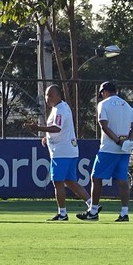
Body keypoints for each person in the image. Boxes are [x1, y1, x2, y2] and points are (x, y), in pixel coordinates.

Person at [25, 85, 90, 220]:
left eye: (50, 95)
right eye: (46, 95)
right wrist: (46, 137)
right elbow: (61, 129)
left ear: (58, 95)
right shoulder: (62, 107)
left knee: (58, 182)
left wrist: (38, 127)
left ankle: (62, 213)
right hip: (70, 150)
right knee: (71, 181)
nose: (47, 98)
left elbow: (57, 128)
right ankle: (92, 205)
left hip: (61, 152)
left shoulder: (59, 110)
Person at [77, 82, 133, 222]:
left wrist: (117, 140)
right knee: (122, 181)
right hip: (124, 150)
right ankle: (124, 212)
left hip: (109, 149)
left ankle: (93, 211)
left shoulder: (103, 104)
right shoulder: (127, 106)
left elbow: (103, 125)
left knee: (96, 178)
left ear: (104, 92)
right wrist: (128, 141)